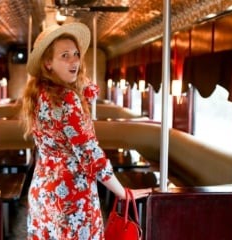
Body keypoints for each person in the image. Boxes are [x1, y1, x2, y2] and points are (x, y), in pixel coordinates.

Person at [20, 22, 152, 240]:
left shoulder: (39, 94)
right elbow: (90, 155)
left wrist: (76, 77)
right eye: (64, 55)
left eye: (76, 54)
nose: (74, 61)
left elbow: (86, 94)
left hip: (43, 195)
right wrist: (123, 192)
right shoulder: (67, 99)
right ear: (47, 63)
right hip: (72, 200)